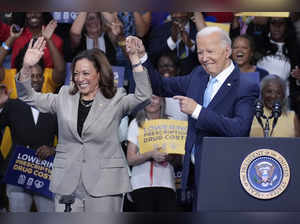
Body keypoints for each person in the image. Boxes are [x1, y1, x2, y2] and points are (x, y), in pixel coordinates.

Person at [15, 36, 152, 212]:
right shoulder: (64, 95)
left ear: (99, 74)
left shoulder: (116, 98)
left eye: (86, 73)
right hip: (67, 183)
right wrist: (26, 66)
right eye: (76, 73)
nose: (80, 79)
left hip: (105, 185)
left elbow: (144, 96)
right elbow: (28, 96)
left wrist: (135, 59)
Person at [132, 26, 259, 210]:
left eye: (210, 51)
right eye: (200, 52)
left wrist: (198, 111)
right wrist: (143, 58)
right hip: (192, 176)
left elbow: (239, 129)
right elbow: (160, 86)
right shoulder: (198, 75)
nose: (204, 58)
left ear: (227, 51)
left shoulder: (245, 86)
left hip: (224, 177)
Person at [0, 70, 57, 212]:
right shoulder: (12, 104)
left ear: (44, 80)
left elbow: (67, 139)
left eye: (39, 76)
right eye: (31, 76)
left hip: (44, 172)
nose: (36, 79)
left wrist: (53, 150)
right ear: (24, 80)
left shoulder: (53, 105)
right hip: (17, 170)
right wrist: (0, 106)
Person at [127, 95, 178, 211]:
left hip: (166, 184)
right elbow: (130, 159)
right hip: (141, 185)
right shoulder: (136, 124)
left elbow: (179, 159)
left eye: (155, 98)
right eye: (147, 99)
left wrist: (168, 156)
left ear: (162, 101)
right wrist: (150, 154)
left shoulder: (172, 123)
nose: (151, 102)